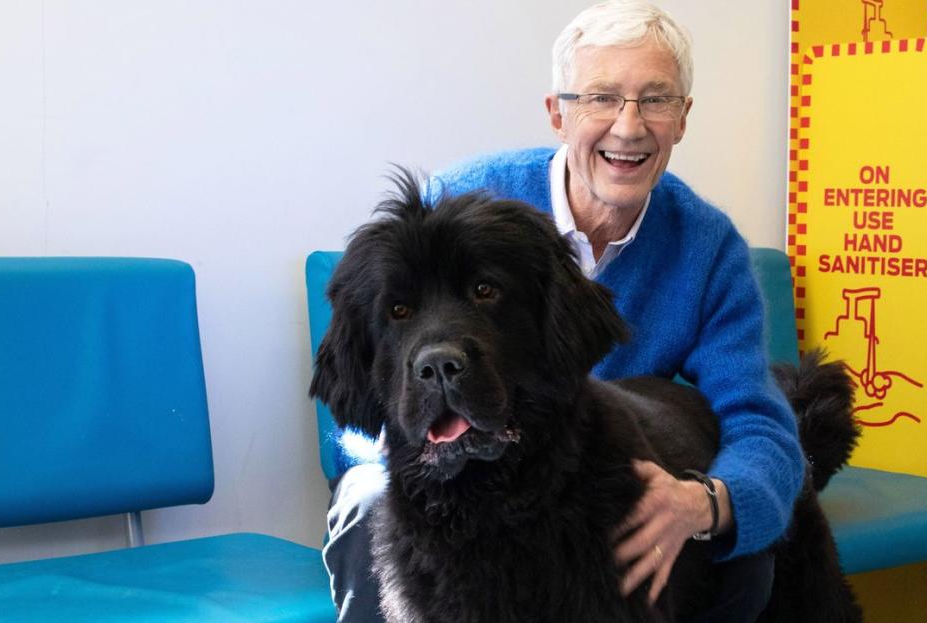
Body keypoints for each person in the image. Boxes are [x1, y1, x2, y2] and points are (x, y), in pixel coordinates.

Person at [323, 2, 805, 621]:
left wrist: (704, 503)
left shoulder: (708, 250)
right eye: (601, 97)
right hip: (434, 479)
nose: (628, 127)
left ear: (683, 118)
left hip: (587, 466)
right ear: (558, 112)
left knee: (738, 538)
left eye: (655, 100)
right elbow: (364, 380)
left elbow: (759, 423)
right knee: (369, 501)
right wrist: (422, 449)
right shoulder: (452, 208)